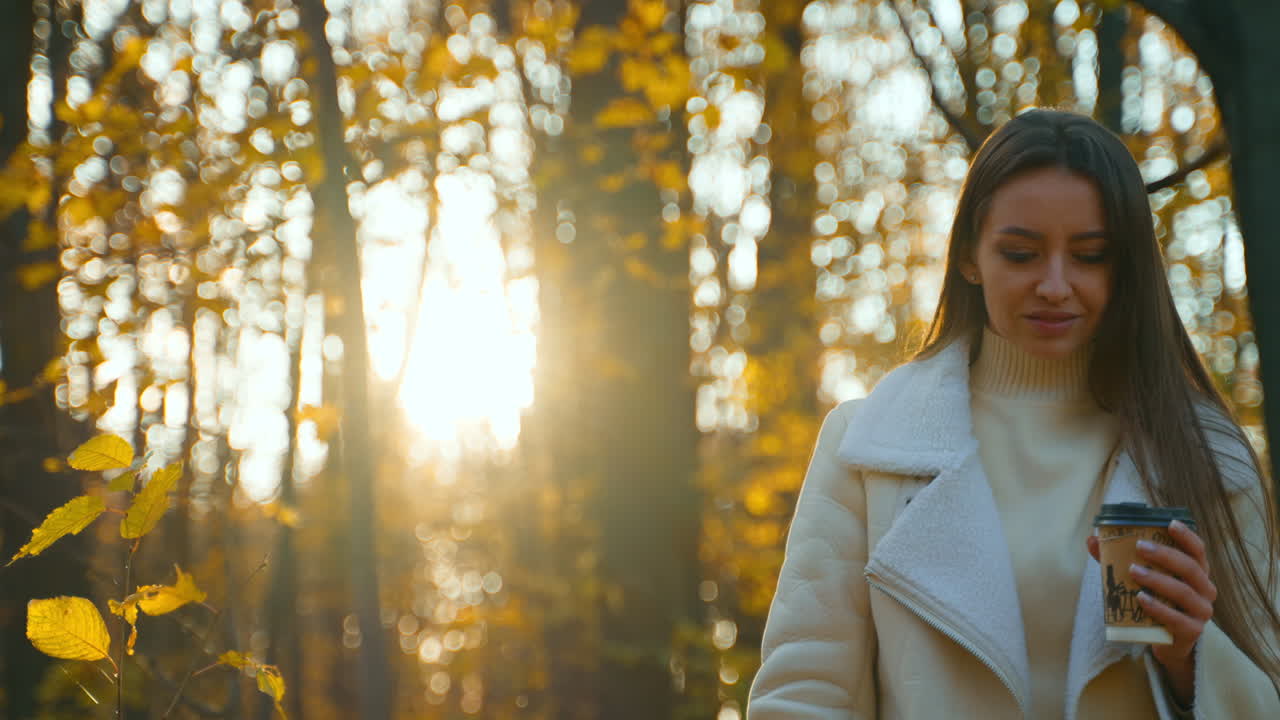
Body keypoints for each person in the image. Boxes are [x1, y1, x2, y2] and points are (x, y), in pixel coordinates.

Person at [746, 108, 1280, 719]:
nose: (1055, 285)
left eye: (1091, 255)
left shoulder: (1212, 459)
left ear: (1127, 267)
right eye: (1022, 254)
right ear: (970, 258)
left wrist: (1192, 660)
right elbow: (804, 697)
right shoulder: (868, 449)